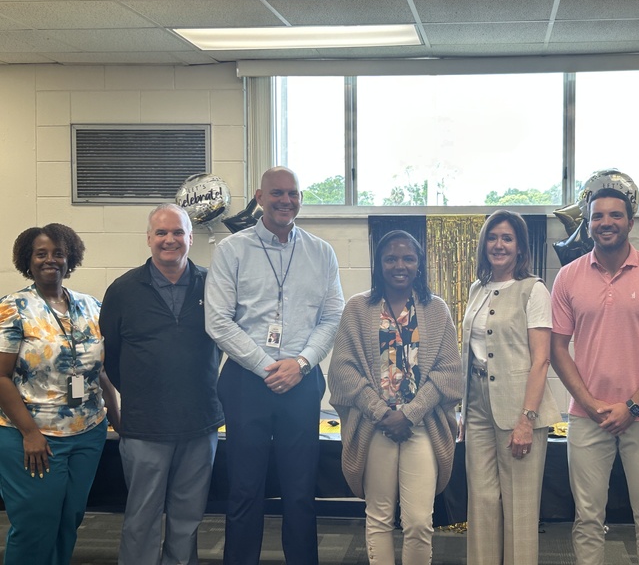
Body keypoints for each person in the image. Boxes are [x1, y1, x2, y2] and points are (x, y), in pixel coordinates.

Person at [205, 166, 345, 565]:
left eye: (293, 193)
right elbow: (217, 321)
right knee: (244, 489)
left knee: (300, 491)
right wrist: (268, 365)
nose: (286, 200)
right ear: (260, 197)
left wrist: (300, 363)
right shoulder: (231, 250)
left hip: (301, 381)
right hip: (246, 382)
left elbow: (332, 316)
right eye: (277, 193)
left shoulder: (321, 252)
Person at [549, 188, 639, 565]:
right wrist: (590, 404)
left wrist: (633, 406)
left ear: (630, 222)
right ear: (588, 223)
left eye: (615, 215)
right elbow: (557, 348)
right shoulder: (568, 277)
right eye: (597, 216)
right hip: (586, 417)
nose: (606, 222)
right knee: (587, 519)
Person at [99, 203, 224, 565]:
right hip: (145, 426)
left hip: (200, 423)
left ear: (190, 237)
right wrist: (142, 392)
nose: (170, 240)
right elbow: (111, 356)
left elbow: (226, 340)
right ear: (149, 238)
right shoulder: (122, 290)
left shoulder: (214, 285)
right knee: (142, 517)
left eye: (178, 232)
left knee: (188, 518)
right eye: (162, 232)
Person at [329, 230, 461, 565]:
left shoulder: (436, 309)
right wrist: (382, 413)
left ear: (419, 264)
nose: (399, 265)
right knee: (379, 517)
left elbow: (448, 372)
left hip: (422, 427)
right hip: (375, 427)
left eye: (408, 258)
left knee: (418, 521)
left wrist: (410, 414)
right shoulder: (358, 308)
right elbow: (343, 371)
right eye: (390, 258)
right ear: (379, 264)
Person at [0, 223, 116, 565]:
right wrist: (30, 433)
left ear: (70, 259)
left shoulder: (91, 306)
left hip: (88, 432)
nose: (50, 259)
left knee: (69, 520)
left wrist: (118, 419)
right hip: (32, 436)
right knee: (35, 525)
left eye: (58, 253)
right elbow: (1, 376)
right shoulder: (14, 307)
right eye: (41, 254)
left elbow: (100, 371)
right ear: (28, 259)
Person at [460, 210, 561, 564]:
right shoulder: (477, 289)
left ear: (520, 247)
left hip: (520, 407)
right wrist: (463, 410)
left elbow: (541, 360)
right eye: (492, 237)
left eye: (507, 238)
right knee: (481, 502)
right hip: (477, 406)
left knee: (520, 508)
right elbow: (471, 352)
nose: (499, 245)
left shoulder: (534, 289)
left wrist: (526, 419)